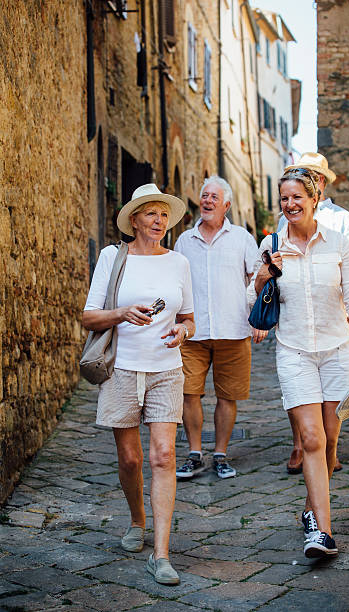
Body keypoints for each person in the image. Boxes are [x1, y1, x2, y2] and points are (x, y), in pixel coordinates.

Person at [248, 169, 349, 558]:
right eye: (284, 199)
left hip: (337, 350)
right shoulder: (271, 244)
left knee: (330, 440)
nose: (290, 205)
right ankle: (322, 533)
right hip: (293, 351)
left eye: (296, 198)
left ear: (313, 198)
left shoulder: (337, 242)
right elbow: (251, 300)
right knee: (310, 439)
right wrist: (262, 276)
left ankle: (310, 508)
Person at [82, 184, 195, 585]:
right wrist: (122, 313)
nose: (159, 221)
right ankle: (136, 520)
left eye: (163, 215)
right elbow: (89, 317)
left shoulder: (179, 263)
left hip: (166, 369)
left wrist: (182, 332)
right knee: (130, 459)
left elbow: (189, 318)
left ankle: (161, 555)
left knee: (163, 456)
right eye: (150, 214)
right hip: (122, 368)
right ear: (134, 220)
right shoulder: (113, 257)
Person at [278, 152, 349, 475]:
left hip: (333, 318)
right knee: (303, 405)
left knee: (331, 420)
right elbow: (272, 263)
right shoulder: (285, 219)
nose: (291, 203)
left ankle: (329, 452)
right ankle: (301, 443)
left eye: (311, 175)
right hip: (296, 330)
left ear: (320, 185)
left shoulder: (342, 221)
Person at [174, 175, 259, 480]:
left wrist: (258, 317)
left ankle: (221, 454)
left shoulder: (241, 238)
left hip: (233, 330)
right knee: (189, 394)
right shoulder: (184, 240)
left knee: (228, 395)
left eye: (214, 197)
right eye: (204, 196)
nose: (207, 201)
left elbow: (258, 278)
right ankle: (195, 454)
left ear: (227, 205)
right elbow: (174, 285)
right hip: (193, 332)